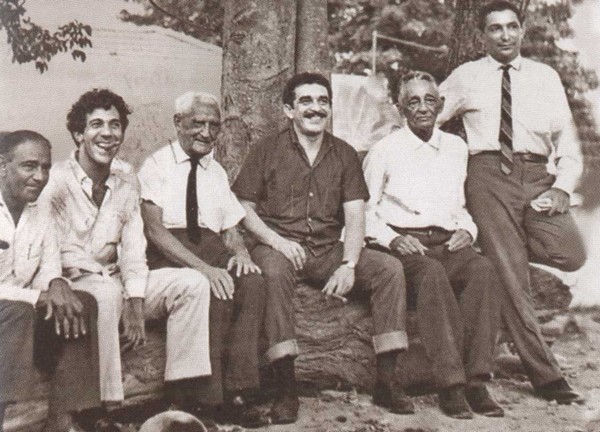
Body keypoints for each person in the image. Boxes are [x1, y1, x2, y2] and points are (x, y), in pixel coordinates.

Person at [232, 72, 410, 424]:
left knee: (389, 269)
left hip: (328, 250)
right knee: (273, 273)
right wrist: (276, 241)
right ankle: (286, 387)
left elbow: (355, 215)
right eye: (306, 101)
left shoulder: (344, 154)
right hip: (279, 246)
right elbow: (242, 207)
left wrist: (348, 263)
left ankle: (387, 381)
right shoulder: (266, 150)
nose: (315, 109)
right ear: (289, 110)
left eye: (323, 101)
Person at [438, 0, 587, 404]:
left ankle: (500, 247)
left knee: (572, 253)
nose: (504, 35)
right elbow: (425, 116)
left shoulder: (545, 76)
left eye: (510, 27)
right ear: (483, 35)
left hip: (537, 176)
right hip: (487, 175)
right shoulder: (467, 76)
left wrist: (562, 187)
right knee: (511, 274)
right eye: (495, 28)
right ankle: (547, 376)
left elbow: (567, 140)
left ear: (522, 30)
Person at [42, 89, 213, 421]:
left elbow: (134, 249)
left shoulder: (125, 177)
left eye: (115, 125)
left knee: (192, 284)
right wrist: (118, 293)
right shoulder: (56, 182)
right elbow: (52, 252)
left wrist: (135, 301)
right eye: (96, 125)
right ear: (78, 134)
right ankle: (104, 409)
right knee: (106, 293)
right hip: (75, 285)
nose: (107, 134)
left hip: (116, 281)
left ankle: (181, 398)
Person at [363, 71, 503, 419]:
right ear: (401, 109)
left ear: (440, 105)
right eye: (413, 101)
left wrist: (468, 230)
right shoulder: (384, 150)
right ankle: (451, 384)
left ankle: (477, 381)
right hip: (406, 245)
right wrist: (394, 239)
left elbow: (461, 207)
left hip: (448, 241)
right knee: (431, 275)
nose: (423, 108)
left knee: (484, 271)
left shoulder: (456, 148)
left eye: (429, 100)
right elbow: (364, 212)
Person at [137, 91, 268, 428]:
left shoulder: (216, 171)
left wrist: (240, 254)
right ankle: (205, 399)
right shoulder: (156, 165)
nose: (206, 133)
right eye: (198, 124)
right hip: (171, 250)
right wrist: (204, 269)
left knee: (252, 282)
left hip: (211, 246)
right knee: (212, 290)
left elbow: (229, 227)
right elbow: (154, 230)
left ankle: (240, 390)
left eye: (214, 125)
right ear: (178, 123)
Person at [0, 130, 99, 432]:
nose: (40, 177)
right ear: (2, 166)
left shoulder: (41, 208)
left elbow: (49, 263)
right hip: (11, 315)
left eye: (45, 167)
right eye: (29, 166)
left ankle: (62, 420)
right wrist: (37, 297)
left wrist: (57, 282)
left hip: (20, 316)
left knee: (81, 303)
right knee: (18, 310)